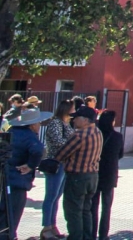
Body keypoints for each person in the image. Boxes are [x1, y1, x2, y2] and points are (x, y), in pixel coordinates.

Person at [54, 106, 103, 240]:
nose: (73, 120)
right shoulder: (97, 132)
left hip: (77, 177)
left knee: (73, 211)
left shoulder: (79, 135)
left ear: (85, 120)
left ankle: (75, 237)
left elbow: (61, 154)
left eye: (76, 118)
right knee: (86, 210)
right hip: (92, 176)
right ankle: (87, 237)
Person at [3, 104, 48, 240]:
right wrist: (30, 166)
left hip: (5, 178)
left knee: (4, 216)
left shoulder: (11, 131)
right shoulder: (29, 136)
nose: (39, 125)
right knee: (13, 216)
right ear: (33, 124)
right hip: (18, 180)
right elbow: (38, 150)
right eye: (39, 123)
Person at [41, 99, 75, 240]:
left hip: (64, 163)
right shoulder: (55, 123)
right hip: (55, 163)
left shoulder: (66, 123)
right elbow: (57, 141)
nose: (74, 111)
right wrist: (74, 144)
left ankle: (53, 224)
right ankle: (46, 227)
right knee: (51, 196)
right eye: (73, 108)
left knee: (56, 197)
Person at [91, 110, 123, 240]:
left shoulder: (95, 135)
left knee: (93, 206)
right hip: (110, 172)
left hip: (95, 171)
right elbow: (120, 154)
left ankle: (92, 233)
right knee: (106, 206)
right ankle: (103, 235)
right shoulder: (117, 136)